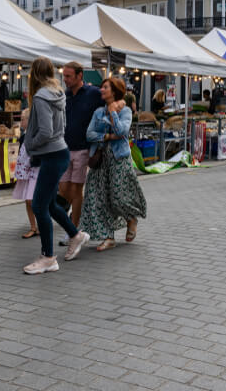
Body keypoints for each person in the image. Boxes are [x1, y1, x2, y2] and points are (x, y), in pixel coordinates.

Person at [22, 58, 90, 274]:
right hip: (59, 151)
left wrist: (29, 143)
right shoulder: (57, 93)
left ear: (33, 74)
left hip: (51, 154)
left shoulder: (41, 97)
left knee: (40, 206)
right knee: (50, 204)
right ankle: (75, 234)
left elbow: (44, 131)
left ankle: (48, 257)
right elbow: (60, 127)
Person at [80, 77, 147, 251]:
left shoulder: (125, 111)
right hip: (100, 159)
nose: (101, 90)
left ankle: (131, 217)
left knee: (118, 197)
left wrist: (113, 113)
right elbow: (89, 134)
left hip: (119, 158)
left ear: (115, 91)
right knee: (98, 197)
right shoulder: (97, 112)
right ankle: (108, 237)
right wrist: (107, 136)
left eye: (105, 87)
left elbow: (122, 131)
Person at [58, 62, 104, 232]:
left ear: (80, 76)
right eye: (64, 76)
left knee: (76, 189)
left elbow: (107, 108)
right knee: (63, 189)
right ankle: (75, 218)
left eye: (69, 76)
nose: (65, 79)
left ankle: (74, 229)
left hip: (84, 148)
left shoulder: (94, 93)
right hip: (64, 148)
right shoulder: (65, 95)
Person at [12, 96, 39, 238]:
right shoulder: (23, 136)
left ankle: (37, 225)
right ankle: (33, 226)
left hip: (35, 170)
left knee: (32, 199)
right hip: (26, 171)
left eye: (23, 119)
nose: (21, 121)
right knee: (28, 200)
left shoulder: (35, 135)